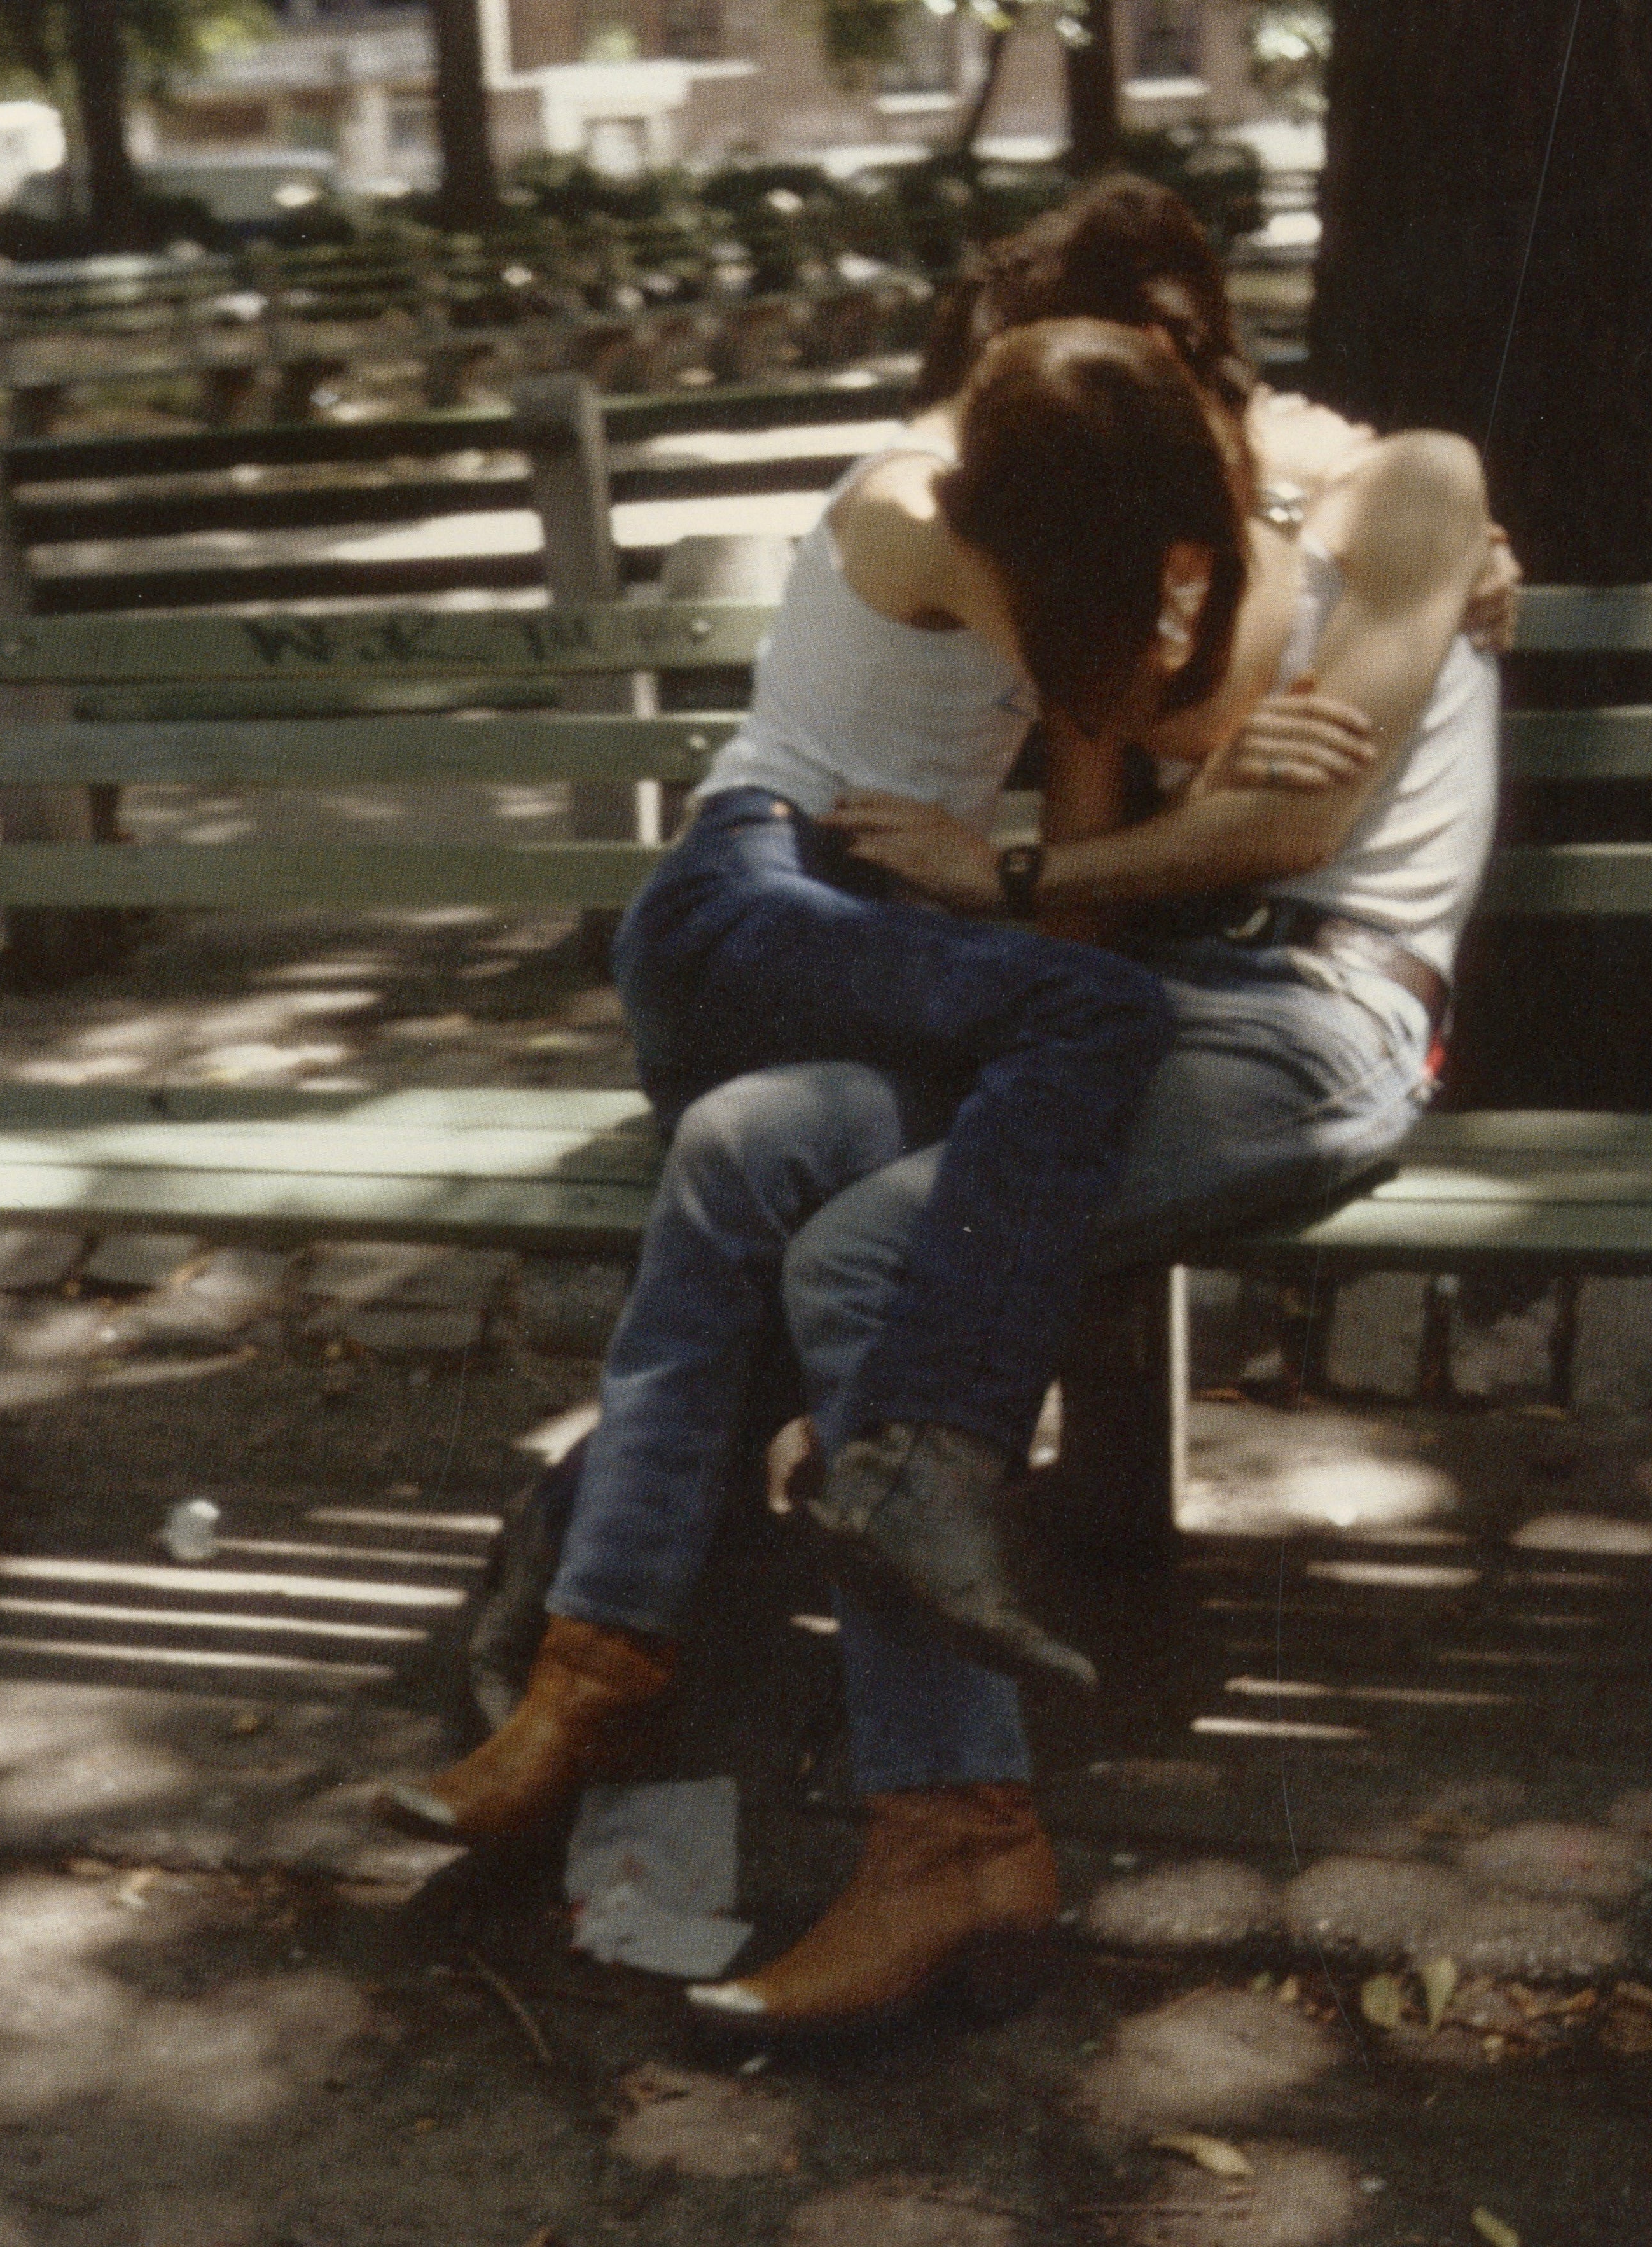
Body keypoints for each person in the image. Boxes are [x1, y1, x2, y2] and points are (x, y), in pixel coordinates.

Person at [398, 176, 1513, 2036]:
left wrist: (1061, 862)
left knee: (860, 1252)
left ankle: (950, 1835)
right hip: (1141, 1005)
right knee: (750, 1142)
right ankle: (594, 1670)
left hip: (1313, 1019)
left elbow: (1292, 829)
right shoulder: (1106, 562)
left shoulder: (1386, 487)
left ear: (1186, 366)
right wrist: (1097, 755)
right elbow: (1107, 878)